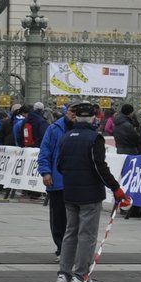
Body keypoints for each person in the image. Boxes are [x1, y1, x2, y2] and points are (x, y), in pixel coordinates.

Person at [54, 102, 127, 282]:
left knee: (70, 233)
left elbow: (60, 165)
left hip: (69, 191)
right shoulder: (95, 138)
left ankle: (63, 274)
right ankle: (80, 276)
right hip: (90, 194)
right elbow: (99, 166)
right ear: (93, 118)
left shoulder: (66, 137)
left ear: (76, 117)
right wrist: (116, 188)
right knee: (87, 235)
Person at [38, 105, 79, 266]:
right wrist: (45, 172)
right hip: (57, 181)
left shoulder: (84, 129)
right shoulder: (54, 129)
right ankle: (61, 248)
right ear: (66, 112)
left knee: (76, 219)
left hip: (76, 181)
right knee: (59, 218)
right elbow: (45, 152)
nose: (74, 115)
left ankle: (74, 249)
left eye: (77, 112)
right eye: (72, 111)